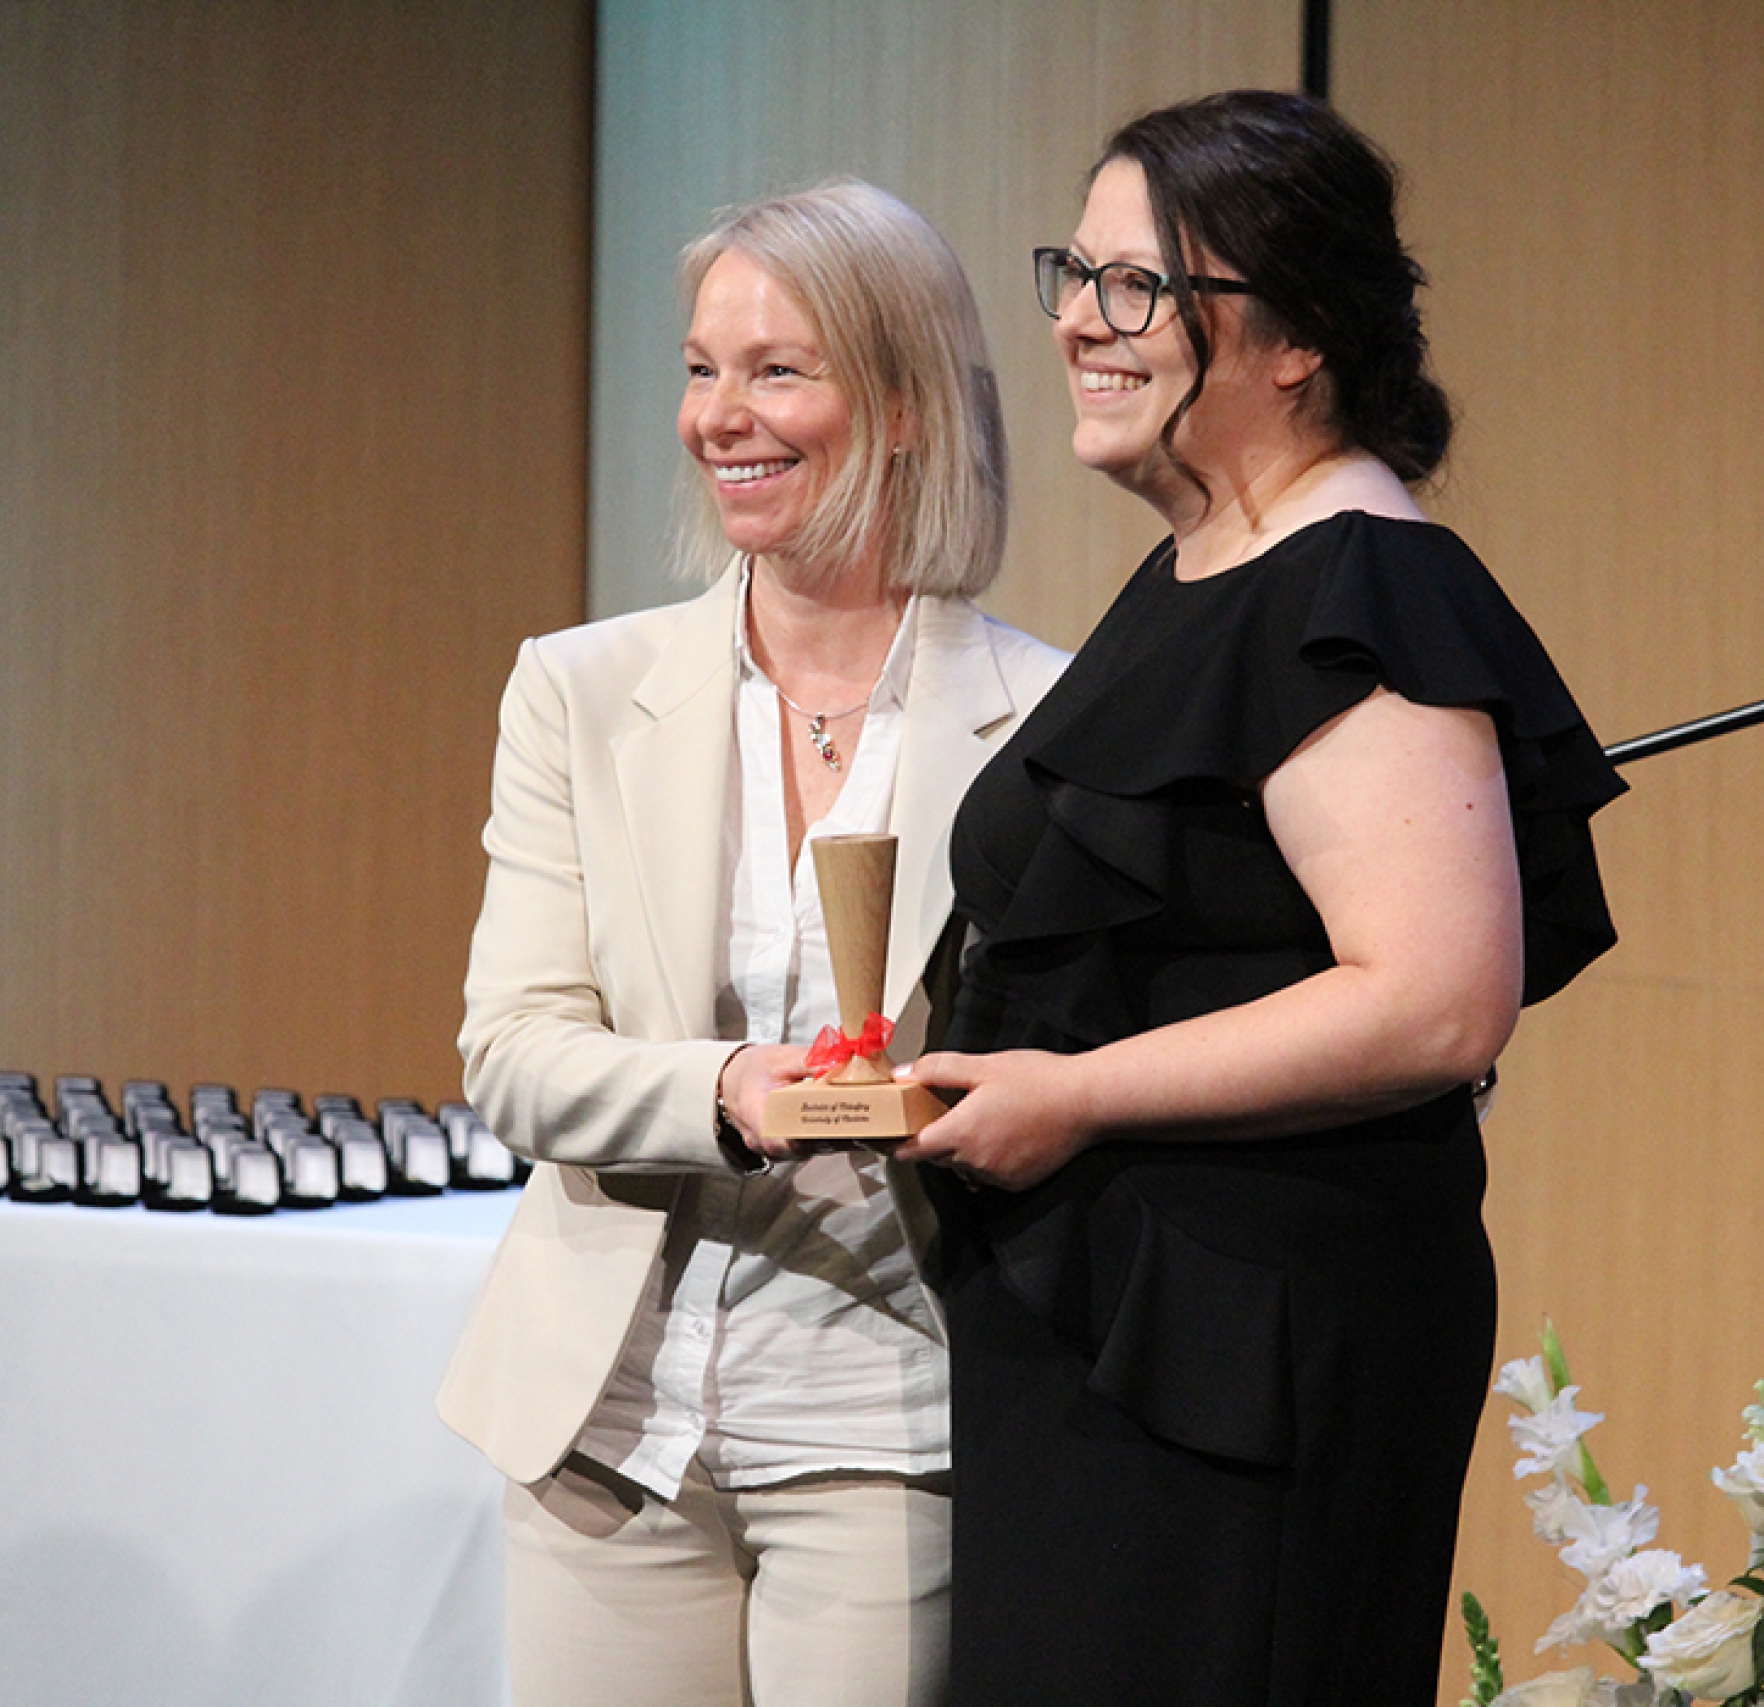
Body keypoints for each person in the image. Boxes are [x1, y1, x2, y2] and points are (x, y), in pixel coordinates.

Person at [899, 91, 1627, 1707]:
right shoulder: (1206, 563)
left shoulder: (1357, 577)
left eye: (1139, 287)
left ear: (1294, 336)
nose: (1083, 323)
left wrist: (1075, 1094)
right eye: (1074, 274)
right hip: (1128, 1334)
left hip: (1245, 1353)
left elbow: (1437, 997)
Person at [436, 181, 1067, 1707]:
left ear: (906, 404)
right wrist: (736, 1093)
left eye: (779, 370)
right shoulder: (579, 690)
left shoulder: (1050, 719)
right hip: (609, 1431)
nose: (722, 415)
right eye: (702, 368)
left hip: (886, 1425)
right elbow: (511, 1058)